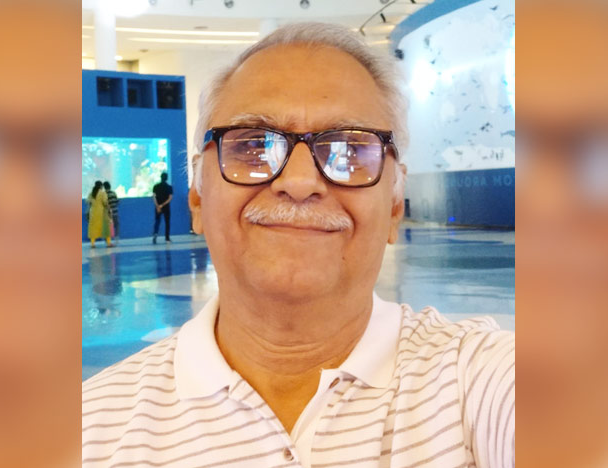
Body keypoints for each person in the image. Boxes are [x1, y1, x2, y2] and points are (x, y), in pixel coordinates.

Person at [83, 23, 514, 467]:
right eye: (253, 146)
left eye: (349, 150)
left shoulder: (480, 380)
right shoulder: (90, 430)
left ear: (394, 205)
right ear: (197, 198)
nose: (300, 182)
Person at [86, 180, 112, 248]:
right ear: (101, 186)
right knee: (105, 228)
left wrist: (88, 212)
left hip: (93, 212)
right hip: (101, 212)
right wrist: (109, 209)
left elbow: (88, 203)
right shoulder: (102, 193)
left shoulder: (91, 193)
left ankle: (92, 244)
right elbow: (105, 202)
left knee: (93, 228)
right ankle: (108, 243)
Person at [152, 172, 173, 244]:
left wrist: (157, 206)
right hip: (166, 207)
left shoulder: (155, 186)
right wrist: (162, 205)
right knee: (167, 222)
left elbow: (154, 197)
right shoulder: (169, 187)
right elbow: (170, 198)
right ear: (167, 178)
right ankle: (167, 238)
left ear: (160, 177)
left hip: (157, 207)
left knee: (157, 221)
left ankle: (155, 234)